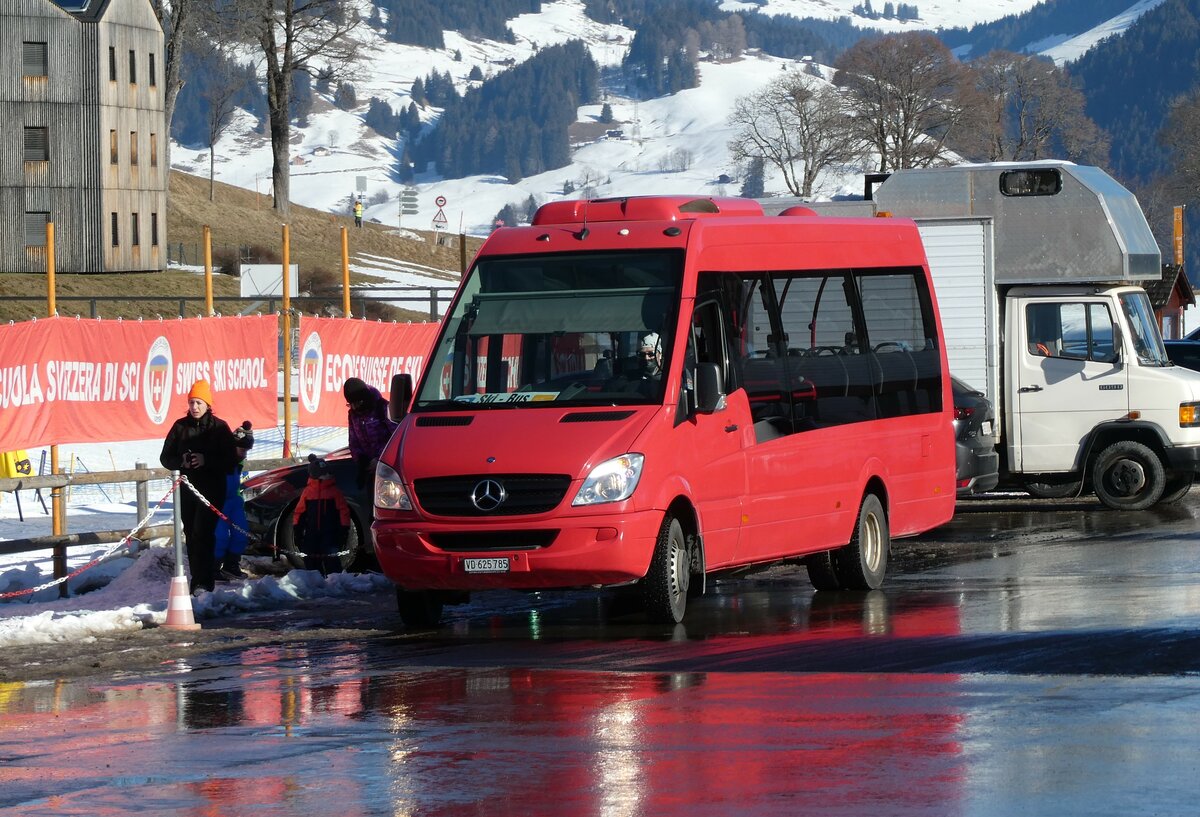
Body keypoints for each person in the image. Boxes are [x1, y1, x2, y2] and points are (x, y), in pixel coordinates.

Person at [159, 379, 237, 594]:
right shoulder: (180, 427)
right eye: (192, 403)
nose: (195, 407)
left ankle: (205, 581)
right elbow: (165, 457)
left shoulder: (219, 428)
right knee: (191, 534)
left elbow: (230, 460)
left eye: (199, 403)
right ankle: (197, 580)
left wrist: (206, 460)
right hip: (187, 490)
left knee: (203, 532)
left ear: (208, 405)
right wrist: (181, 462)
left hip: (211, 489)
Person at [292, 455, 351, 577]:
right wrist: (297, 529)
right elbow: (299, 512)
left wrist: (344, 528)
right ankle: (315, 580)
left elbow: (343, 511)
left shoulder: (334, 491)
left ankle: (335, 580)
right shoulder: (308, 492)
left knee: (332, 559)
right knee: (310, 557)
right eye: (325, 474)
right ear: (316, 476)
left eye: (328, 473)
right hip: (311, 532)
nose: (328, 475)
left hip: (330, 532)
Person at [343, 377, 397, 499]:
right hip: (369, 468)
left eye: (357, 403)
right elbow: (353, 440)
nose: (355, 408)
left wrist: (380, 459)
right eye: (351, 404)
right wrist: (361, 462)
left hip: (387, 468)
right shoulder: (353, 414)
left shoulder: (382, 408)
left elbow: (396, 437)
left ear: (364, 399)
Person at [214, 421, 254, 580]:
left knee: (241, 532)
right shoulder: (221, 458)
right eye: (242, 450)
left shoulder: (238, 459)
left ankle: (232, 564)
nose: (244, 454)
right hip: (220, 501)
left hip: (235, 499)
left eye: (247, 451)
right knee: (220, 536)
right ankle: (214, 567)